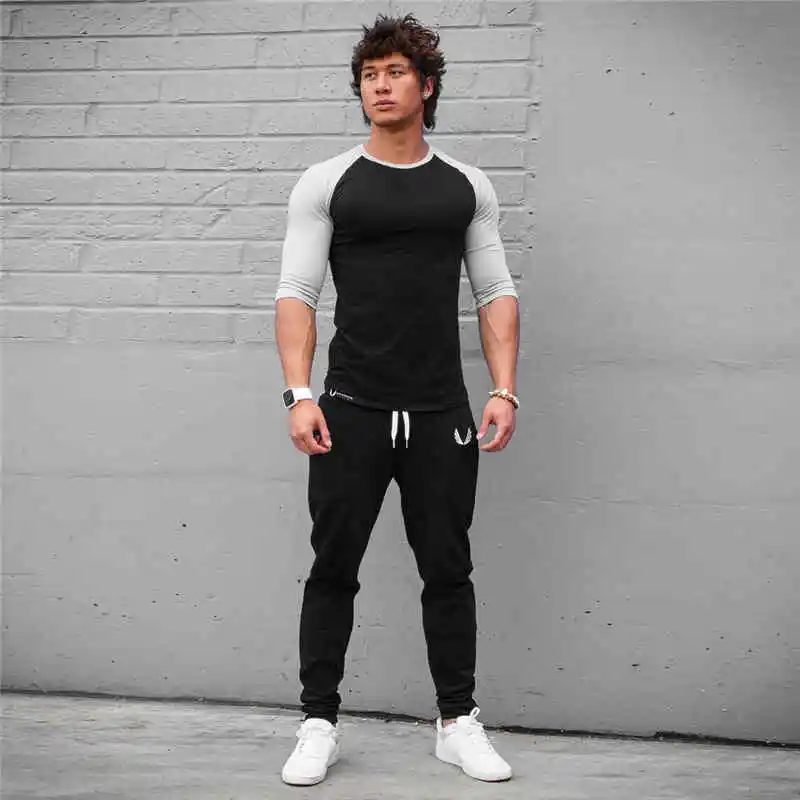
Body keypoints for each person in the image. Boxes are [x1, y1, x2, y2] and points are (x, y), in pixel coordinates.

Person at [274, 14, 521, 787]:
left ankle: (457, 723)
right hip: (350, 408)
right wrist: (299, 394)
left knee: (448, 570)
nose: (379, 86)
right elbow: (296, 293)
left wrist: (504, 389)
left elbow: (495, 290)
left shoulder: (465, 187)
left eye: (394, 72)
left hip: (442, 412)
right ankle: (318, 724)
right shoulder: (327, 183)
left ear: (427, 85)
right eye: (368, 75)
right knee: (333, 569)